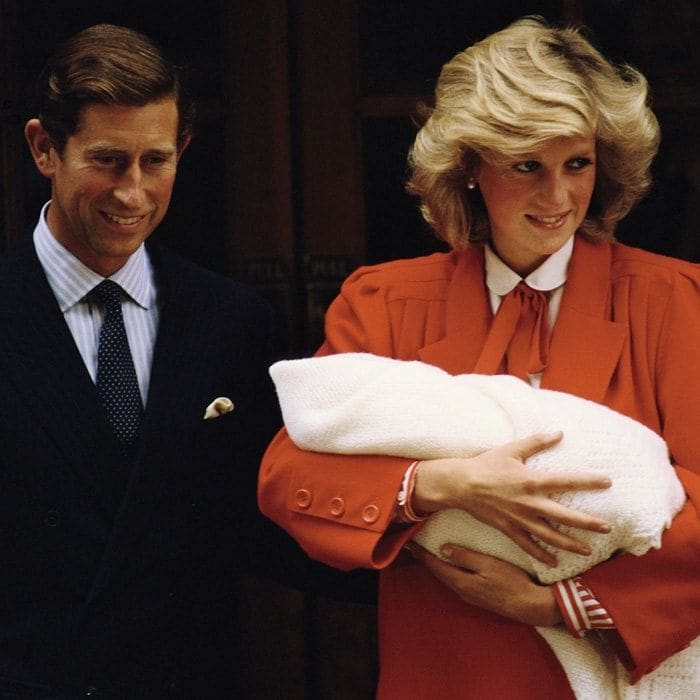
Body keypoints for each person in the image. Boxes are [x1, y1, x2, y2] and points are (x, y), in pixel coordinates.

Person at [259, 16, 700, 699]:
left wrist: (557, 603)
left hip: (610, 673)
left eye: (576, 164)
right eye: (527, 165)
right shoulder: (383, 303)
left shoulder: (675, 302)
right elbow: (287, 477)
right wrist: (439, 487)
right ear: (469, 165)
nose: (558, 198)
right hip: (443, 675)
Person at [1, 23, 279, 697]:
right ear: (44, 147)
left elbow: (270, 524)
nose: (131, 194)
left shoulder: (232, 321)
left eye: (154, 161)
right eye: (106, 160)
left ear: (182, 149)